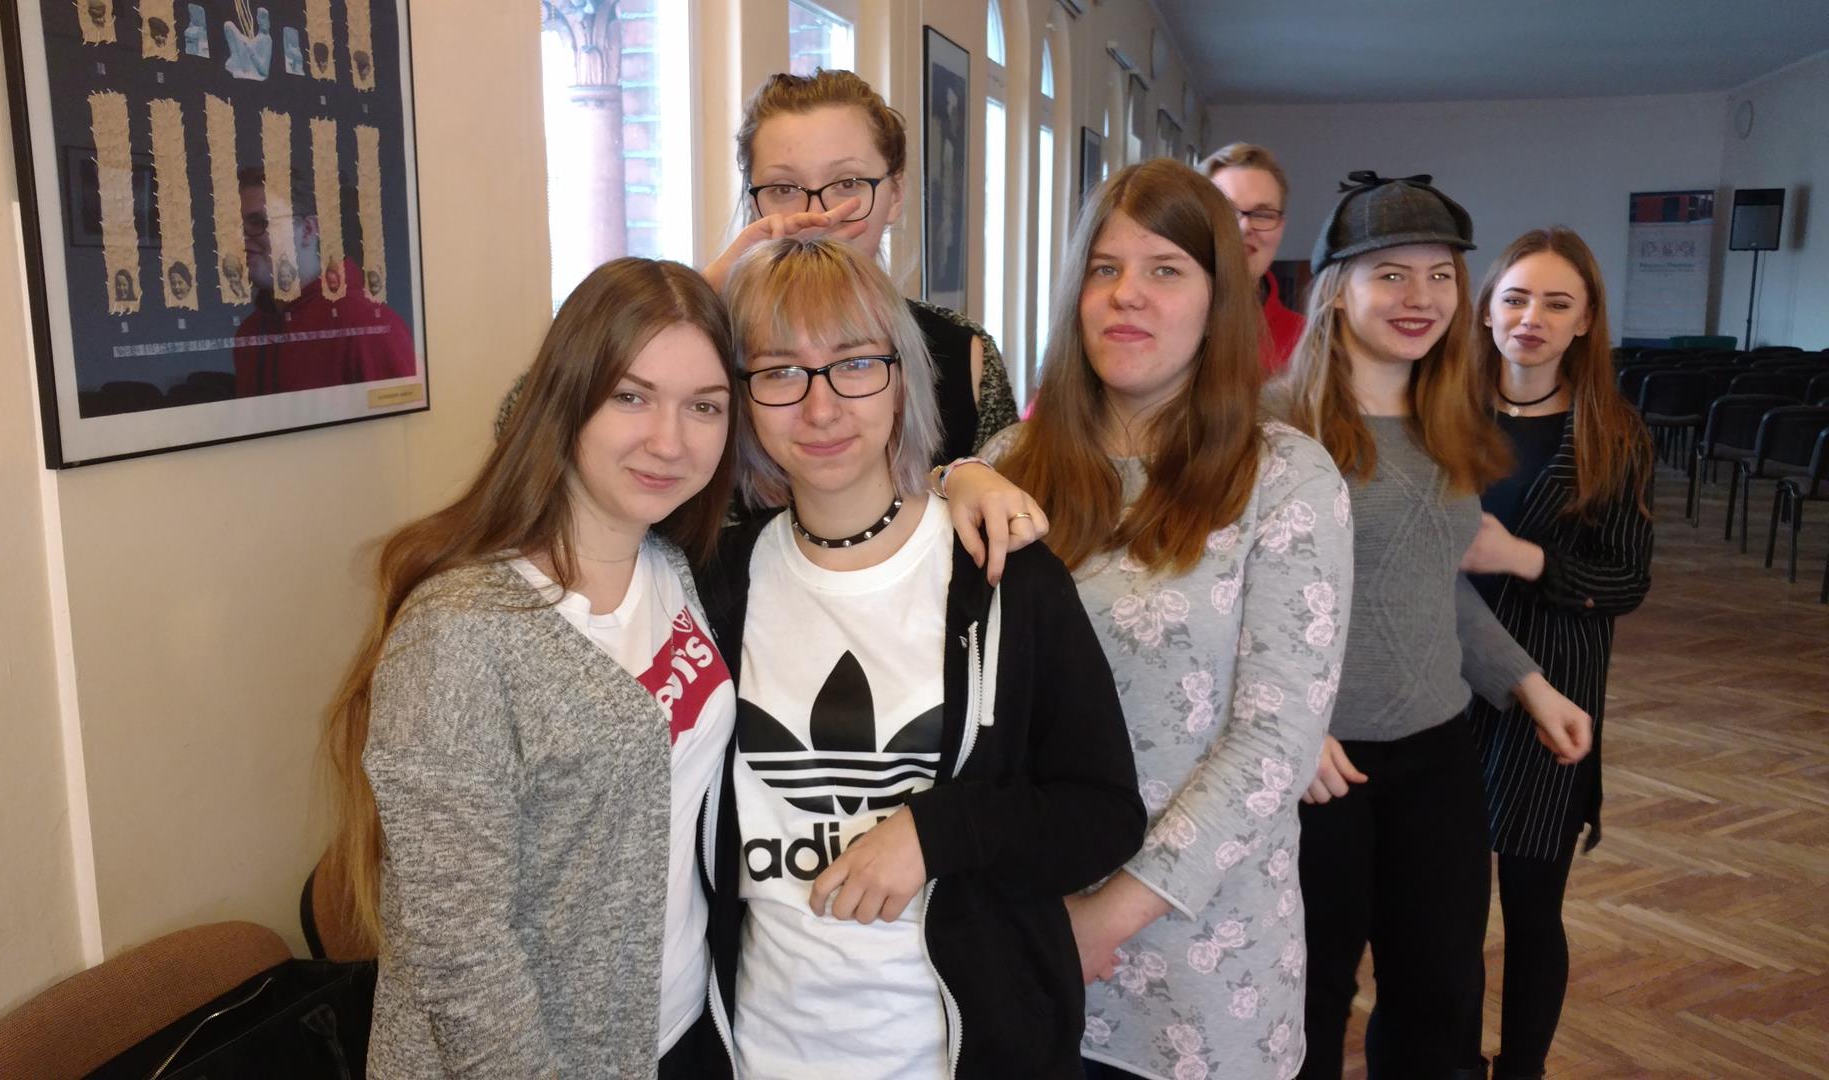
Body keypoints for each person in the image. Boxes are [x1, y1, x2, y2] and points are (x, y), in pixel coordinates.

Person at [695, 237, 1146, 1078]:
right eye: (780, 372)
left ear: (903, 377)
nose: (821, 408)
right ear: (742, 397)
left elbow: (1104, 816)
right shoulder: (715, 586)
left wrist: (937, 832)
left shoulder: (1003, 575)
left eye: (854, 364)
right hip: (762, 1049)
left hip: (958, 1053)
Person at [980, 159, 1352, 1080]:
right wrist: (953, 478)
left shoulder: (1284, 477)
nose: (1127, 295)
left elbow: (1275, 743)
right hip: (1022, 936)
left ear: (1219, 300)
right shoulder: (1008, 465)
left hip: (1201, 964)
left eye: (1165, 270)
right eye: (1104, 269)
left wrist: (1106, 918)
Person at [323, 257, 739, 1077]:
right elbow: (458, 950)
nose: (670, 441)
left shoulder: (671, 567)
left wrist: (962, 478)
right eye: (630, 397)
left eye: (704, 406)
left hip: (681, 1028)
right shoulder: (462, 630)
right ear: (566, 400)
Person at [1275, 172, 1594, 1080]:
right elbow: (1222, 602)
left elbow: (1425, 585)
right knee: (1308, 997)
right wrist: (1292, 724)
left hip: (1438, 752)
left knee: (1440, 997)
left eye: (1440, 275)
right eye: (1390, 274)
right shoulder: (1270, 427)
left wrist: (1526, 683)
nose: (1420, 297)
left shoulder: (1450, 422)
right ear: (1336, 289)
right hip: (1316, 767)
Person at [1462, 228, 1654, 1080]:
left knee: (1532, 909)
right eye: (1514, 298)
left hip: (1554, 689)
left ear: (1585, 322)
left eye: (1556, 303)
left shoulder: (1613, 433)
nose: (1530, 318)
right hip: (1442, 684)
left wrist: (1524, 558)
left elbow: (1627, 581)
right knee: (1445, 910)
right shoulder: (1442, 416)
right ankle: (1449, 1057)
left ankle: (1523, 1070)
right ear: (1487, 311)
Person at [702, 69, 1019, 464]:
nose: (818, 216)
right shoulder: (710, 345)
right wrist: (705, 293)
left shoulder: (964, 353)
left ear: (896, 194)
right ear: (754, 204)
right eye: (784, 189)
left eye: (847, 184)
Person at [232, 167, 417, 396]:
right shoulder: (250, 333)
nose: (239, 237)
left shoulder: (366, 326)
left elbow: (405, 418)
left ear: (308, 230)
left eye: (259, 221)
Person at [1201, 142, 1303, 374]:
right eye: (1227, 211)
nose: (1245, 227)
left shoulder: (1306, 342)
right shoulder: (1157, 321)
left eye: (1263, 214)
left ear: (1281, 227)